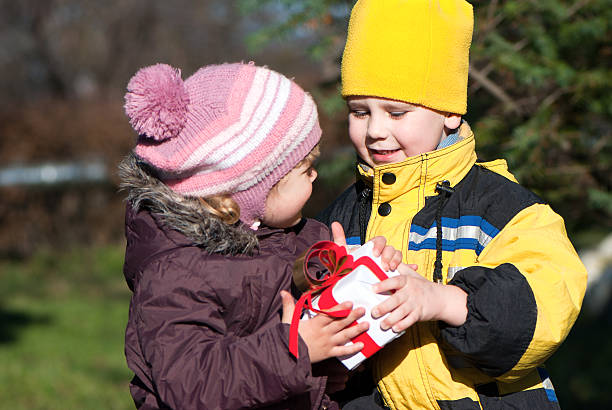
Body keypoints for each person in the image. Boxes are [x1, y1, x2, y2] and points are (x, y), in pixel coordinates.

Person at [317, 1, 588, 409]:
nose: (375, 131)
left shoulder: (501, 207)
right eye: (359, 111)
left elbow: (550, 299)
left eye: (396, 112)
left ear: (449, 113)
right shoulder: (342, 214)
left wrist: (443, 301)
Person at [118, 62, 402, 409]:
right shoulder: (176, 273)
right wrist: (292, 350)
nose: (315, 177)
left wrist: (355, 279)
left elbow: (304, 335)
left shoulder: (292, 235)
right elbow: (192, 386)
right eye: (304, 169)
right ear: (248, 190)